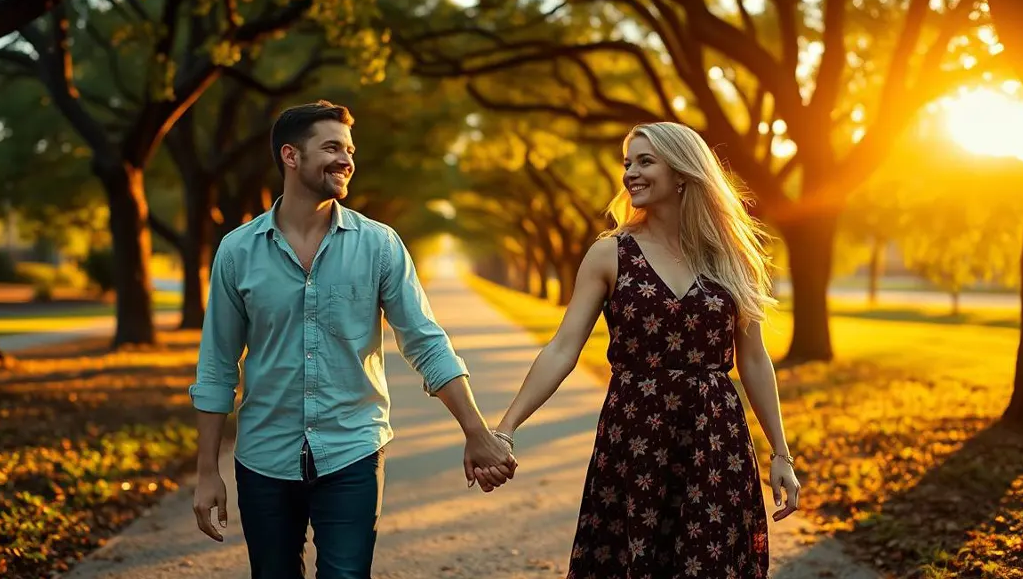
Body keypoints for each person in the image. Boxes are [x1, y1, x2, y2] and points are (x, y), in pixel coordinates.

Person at [188, 100, 516, 579]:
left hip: (353, 450)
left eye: (349, 149)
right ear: (291, 156)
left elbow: (425, 342)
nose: (346, 159)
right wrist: (205, 472)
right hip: (263, 458)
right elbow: (217, 365)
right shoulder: (237, 252)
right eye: (332, 147)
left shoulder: (379, 244)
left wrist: (477, 431)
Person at [486, 122, 801, 578]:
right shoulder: (610, 254)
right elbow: (561, 349)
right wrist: (506, 428)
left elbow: (753, 360)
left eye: (644, 161)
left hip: (714, 441)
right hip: (634, 436)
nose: (630, 172)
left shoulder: (733, 259)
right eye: (627, 163)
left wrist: (780, 454)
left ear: (682, 172)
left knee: (708, 563)